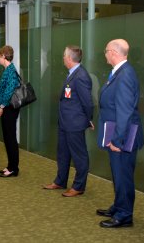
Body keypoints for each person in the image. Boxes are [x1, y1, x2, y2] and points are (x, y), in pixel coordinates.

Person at [96, 38, 144, 228]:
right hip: (116, 131)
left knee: (123, 174)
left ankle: (124, 215)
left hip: (122, 136)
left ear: (114, 53)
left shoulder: (125, 75)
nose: (105, 54)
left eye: (106, 50)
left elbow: (125, 111)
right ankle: (118, 206)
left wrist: (118, 140)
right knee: (118, 173)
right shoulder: (120, 72)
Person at [43, 46, 94, 197]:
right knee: (63, 154)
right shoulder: (72, 74)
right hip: (65, 122)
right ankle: (60, 181)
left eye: (64, 56)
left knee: (79, 155)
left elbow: (88, 102)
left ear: (70, 58)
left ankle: (78, 186)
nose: (63, 58)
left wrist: (89, 118)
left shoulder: (81, 76)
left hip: (75, 123)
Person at [0, 45, 21, 177]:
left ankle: (13, 168)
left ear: (4, 56)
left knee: (10, 138)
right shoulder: (8, 70)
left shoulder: (10, 70)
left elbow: (9, 90)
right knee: (8, 137)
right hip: (7, 108)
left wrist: (1, 106)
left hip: (9, 108)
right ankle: (11, 166)